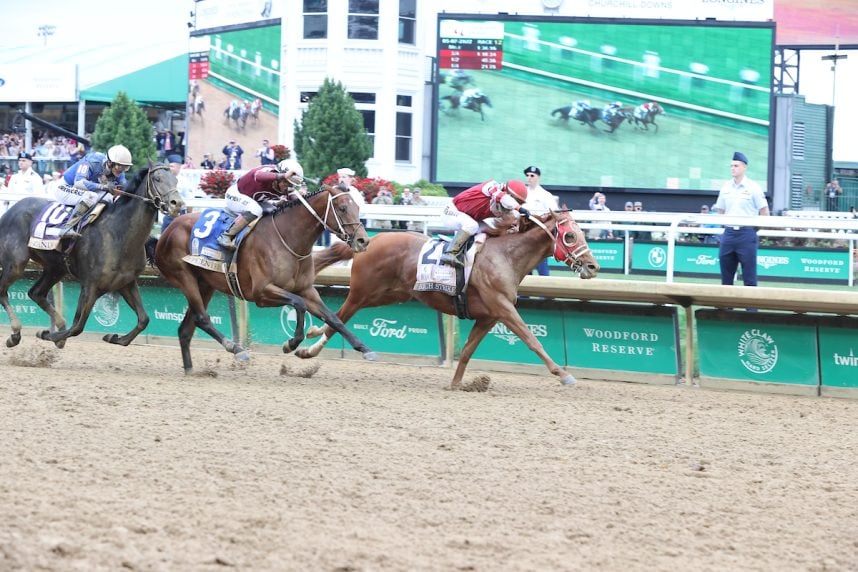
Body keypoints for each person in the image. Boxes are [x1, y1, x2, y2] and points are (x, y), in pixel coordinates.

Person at [216, 159, 305, 250]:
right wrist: (283, 175)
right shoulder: (267, 171)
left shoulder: (286, 187)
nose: (287, 187)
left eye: (291, 185)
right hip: (236, 194)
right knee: (256, 210)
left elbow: (296, 199)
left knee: (274, 210)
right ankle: (225, 236)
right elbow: (258, 176)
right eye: (286, 182)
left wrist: (303, 197)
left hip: (254, 200)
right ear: (279, 176)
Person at [439, 179, 529, 268]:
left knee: (490, 230)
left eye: (519, 202)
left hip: (467, 217)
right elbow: (503, 198)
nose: (516, 205)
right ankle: (450, 253)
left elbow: (512, 217)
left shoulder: (503, 206)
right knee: (472, 226)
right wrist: (519, 208)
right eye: (517, 201)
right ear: (509, 194)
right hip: (451, 212)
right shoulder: (491, 187)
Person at [54, 145, 133, 239]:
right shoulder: (92, 160)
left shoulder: (119, 171)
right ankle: (67, 228)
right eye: (119, 166)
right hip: (65, 188)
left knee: (109, 198)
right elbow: (78, 183)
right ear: (110, 162)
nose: (122, 170)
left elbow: (124, 188)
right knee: (91, 196)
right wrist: (102, 187)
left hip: (86, 191)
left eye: (125, 167)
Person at [714, 151, 769, 286]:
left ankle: (751, 308)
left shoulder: (753, 187)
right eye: (731, 166)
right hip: (729, 234)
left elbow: (764, 211)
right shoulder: (726, 187)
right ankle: (726, 307)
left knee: (749, 277)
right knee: (726, 277)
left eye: (736, 166)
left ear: (744, 167)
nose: (733, 168)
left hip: (747, 234)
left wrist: (754, 229)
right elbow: (720, 209)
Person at [522, 165, 559, 276]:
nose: (529, 177)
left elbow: (554, 214)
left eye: (532, 175)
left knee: (542, 269)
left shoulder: (545, 195)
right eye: (527, 175)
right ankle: (524, 294)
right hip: (524, 236)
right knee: (525, 270)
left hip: (539, 236)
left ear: (538, 177)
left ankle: (546, 293)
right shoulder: (522, 193)